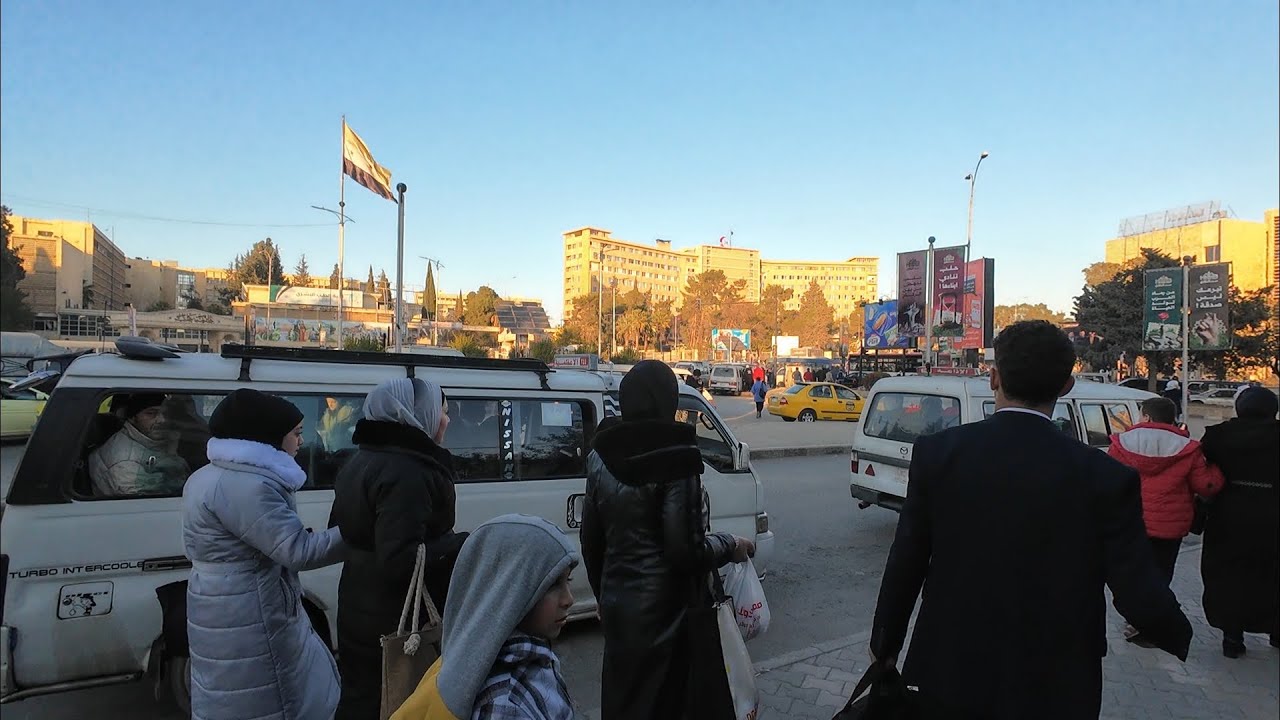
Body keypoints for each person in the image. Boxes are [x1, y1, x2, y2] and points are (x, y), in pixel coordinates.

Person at [869, 321, 1192, 719]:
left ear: (993, 377)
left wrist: (885, 645)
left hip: (950, 663)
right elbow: (1136, 582)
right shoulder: (1104, 475)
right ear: (1066, 386)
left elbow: (907, 559)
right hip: (1058, 677)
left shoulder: (939, 454)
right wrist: (1175, 633)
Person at [581, 360, 754, 720]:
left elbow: (591, 537)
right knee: (669, 704)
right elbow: (685, 550)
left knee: (624, 701)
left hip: (618, 607)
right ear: (667, 400)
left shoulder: (602, 452)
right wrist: (729, 544)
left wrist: (601, 595)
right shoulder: (678, 455)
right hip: (669, 616)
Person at [182, 389, 347, 720]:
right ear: (268, 437)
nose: (303, 441)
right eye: (297, 433)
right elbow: (299, 552)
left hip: (226, 603)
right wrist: (359, 529)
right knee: (270, 699)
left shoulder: (210, 475)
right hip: (248, 610)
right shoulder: (247, 486)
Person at [330, 377, 469, 720]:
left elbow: (348, 530)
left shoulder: (362, 459)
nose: (447, 420)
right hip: (396, 620)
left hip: (358, 603)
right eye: (442, 411)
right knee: (399, 702)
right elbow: (400, 558)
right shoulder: (408, 470)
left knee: (363, 698)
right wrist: (460, 543)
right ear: (416, 413)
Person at [390, 515, 579, 720]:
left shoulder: (514, 659)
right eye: (552, 584)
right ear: (508, 591)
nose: (569, 599)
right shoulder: (506, 705)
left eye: (568, 580)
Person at [1107, 397, 1223, 588]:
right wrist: (1217, 471)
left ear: (1147, 417)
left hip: (1130, 521)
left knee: (1131, 570)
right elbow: (1205, 485)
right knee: (1162, 572)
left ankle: (1133, 610)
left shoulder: (1121, 444)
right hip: (1170, 526)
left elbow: (1110, 482)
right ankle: (1156, 608)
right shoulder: (1188, 448)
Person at [1199, 386, 1279, 658]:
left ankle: (1232, 637)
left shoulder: (1218, 436)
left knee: (1229, 575)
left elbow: (1202, 471)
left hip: (1228, 514)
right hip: (1273, 513)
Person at [90, 393, 190, 496]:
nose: (162, 420)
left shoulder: (160, 439)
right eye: (151, 413)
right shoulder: (125, 461)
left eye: (165, 413)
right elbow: (147, 504)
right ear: (132, 418)